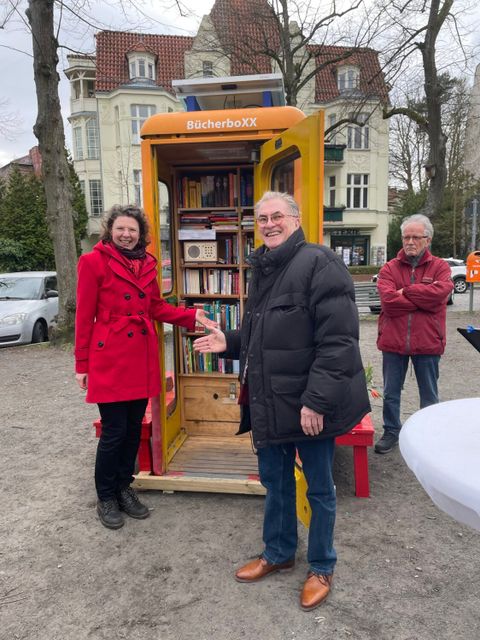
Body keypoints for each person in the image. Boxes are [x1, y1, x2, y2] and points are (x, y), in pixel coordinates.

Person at [193, 191, 370, 611]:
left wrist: (316, 402)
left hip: (309, 406)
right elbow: (266, 339)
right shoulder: (265, 268)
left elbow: (339, 343)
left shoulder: (320, 263)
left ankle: (322, 566)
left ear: (295, 218)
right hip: (270, 402)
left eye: (277, 216)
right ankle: (278, 553)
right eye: (262, 218)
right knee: (275, 484)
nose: (269, 224)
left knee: (321, 490)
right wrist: (229, 342)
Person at [75, 204, 216, 529]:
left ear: (141, 235)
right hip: (108, 356)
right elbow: (83, 317)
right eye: (121, 228)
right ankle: (106, 496)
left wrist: (189, 316)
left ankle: (124, 488)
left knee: (133, 428)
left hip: (139, 355)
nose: (126, 234)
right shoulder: (92, 261)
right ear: (110, 230)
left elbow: (154, 306)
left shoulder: (147, 263)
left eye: (132, 230)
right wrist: (81, 364)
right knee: (114, 431)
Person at [375, 213, 453, 454]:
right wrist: (423, 298)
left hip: (428, 342)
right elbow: (388, 302)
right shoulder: (389, 268)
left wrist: (404, 293)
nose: (409, 241)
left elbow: (441, 295)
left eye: (415, 237)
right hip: (393, 342)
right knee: (390, 392)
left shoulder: (440, 266)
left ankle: (428, 433)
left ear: (427, 239)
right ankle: (391, 431)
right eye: (406, 237)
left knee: (429, 393)